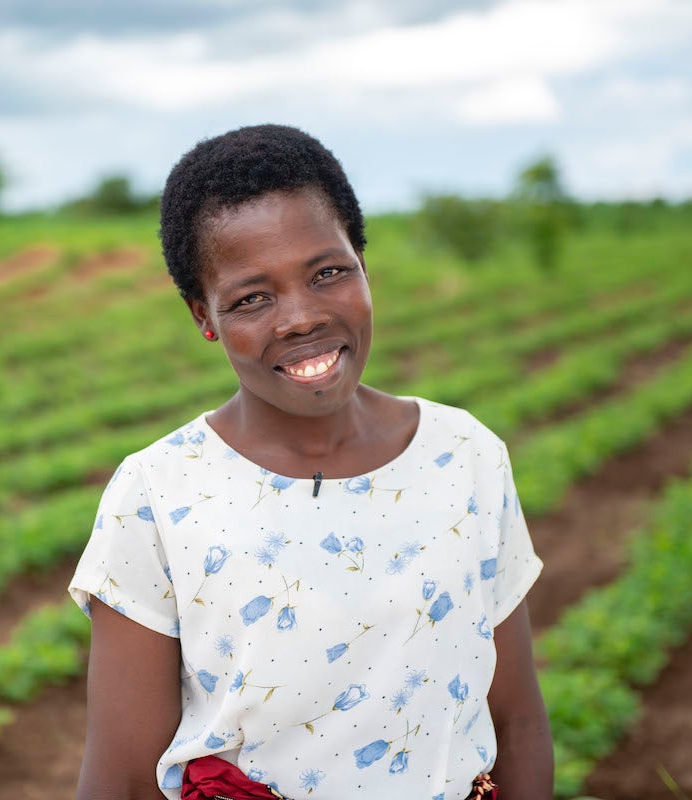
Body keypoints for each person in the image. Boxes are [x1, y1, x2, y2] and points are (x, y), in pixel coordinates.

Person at [68, 124, 553, 800]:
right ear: (202, 316)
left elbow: (518, 721)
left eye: (327, 273)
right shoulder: (157, 494)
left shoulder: (466, 456)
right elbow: (121, 779)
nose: (299, 318)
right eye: (251, 298)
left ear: (362, 264)